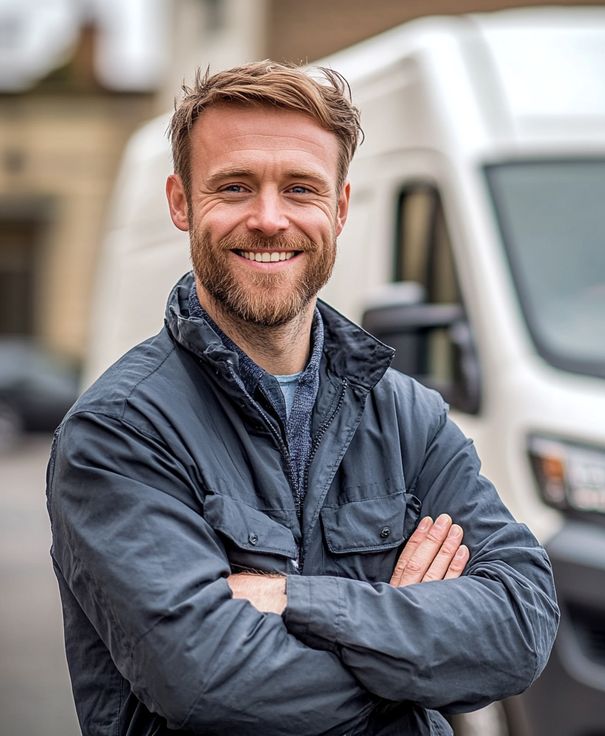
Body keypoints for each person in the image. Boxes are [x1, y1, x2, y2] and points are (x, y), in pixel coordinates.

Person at [47, 61, 559, 736]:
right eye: (234, 186)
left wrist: (295, 599)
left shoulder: (407, 416)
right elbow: (208, 684)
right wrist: (407, 650)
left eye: (300, 188)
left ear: (340, 208)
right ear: (181, 202)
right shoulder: (119, 435)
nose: (268, 218)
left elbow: (521, 626)